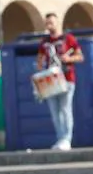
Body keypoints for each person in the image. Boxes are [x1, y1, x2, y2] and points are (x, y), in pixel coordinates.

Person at [36, 13, 83, 151]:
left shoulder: (68, 38)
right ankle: (60, 137)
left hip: (67, 78)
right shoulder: (44, 42)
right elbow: (39, 60)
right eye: (47, 23)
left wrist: (69, 59)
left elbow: (80, 56)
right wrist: (40, 64)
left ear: (57, 22)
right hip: (51, 79)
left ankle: (66, 139)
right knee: (54, 111)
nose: (49, 25)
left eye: (51, 22)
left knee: (65, 109)